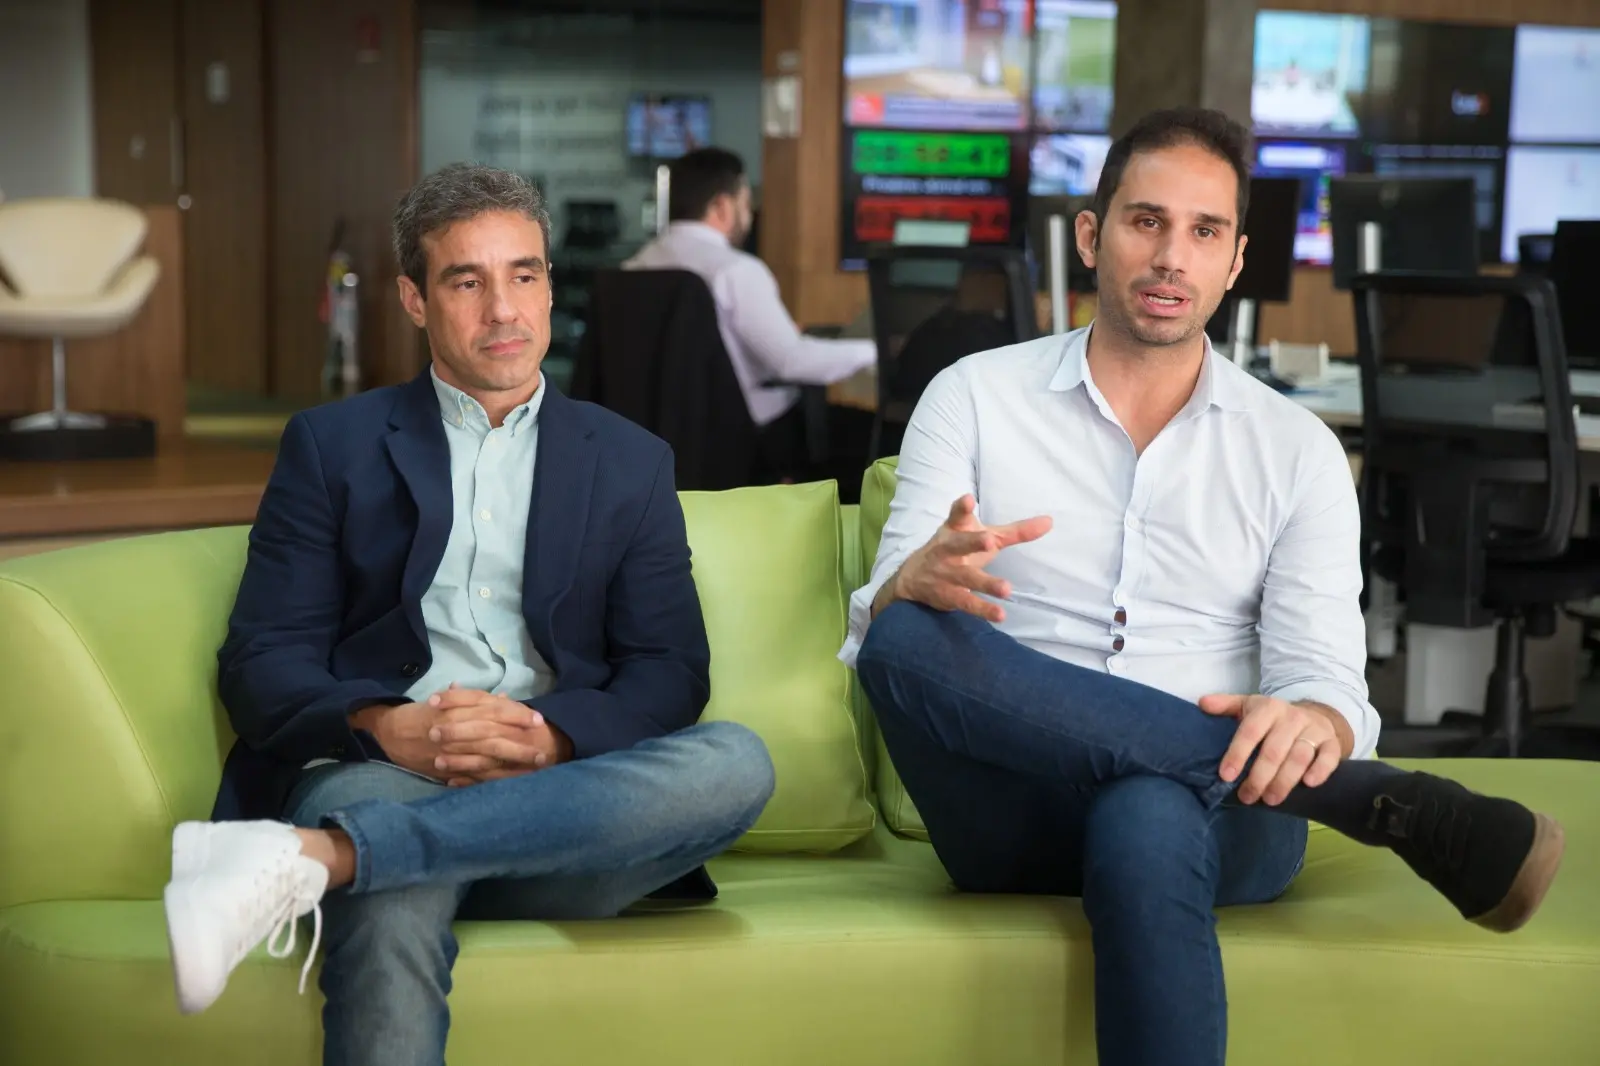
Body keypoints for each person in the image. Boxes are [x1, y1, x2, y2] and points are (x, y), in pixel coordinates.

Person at [840, 107, 1566, 1066]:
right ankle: (1377, 804)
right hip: (1008, 808)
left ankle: (1310, 786)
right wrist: (911, 583)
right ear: (1092, 236)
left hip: (1234, 817)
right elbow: (884, 651)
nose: (1171, 256)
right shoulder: (973, 396)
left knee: (1147, 807)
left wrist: (1318, 722)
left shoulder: (1297, 450)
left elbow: (1325, 679)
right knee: (901, 633)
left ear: (1234, 261)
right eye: (1146, 221)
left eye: (1204, 231)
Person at [161, 163, 776, 1065]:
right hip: (383, 775)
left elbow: (669, 673)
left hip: (565, 804)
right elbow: (262, 663)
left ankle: (327, 858)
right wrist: (386, 726)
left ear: (551, 286)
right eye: (466, 282)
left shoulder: (630, 460)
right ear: (414, 300)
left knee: (737, 761)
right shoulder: (332, 447)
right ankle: (379, 849)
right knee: (392, 894)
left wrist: (548, 738)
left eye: (524, 275)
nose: (504, 310)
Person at [624, 146, 877, 479]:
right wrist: (876, 351)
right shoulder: (735, 271)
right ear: (722, 206)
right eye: (745, 202)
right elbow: (791, 361)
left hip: (650, 441)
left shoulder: (632, 268)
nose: (750, 213)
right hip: (745, 445)